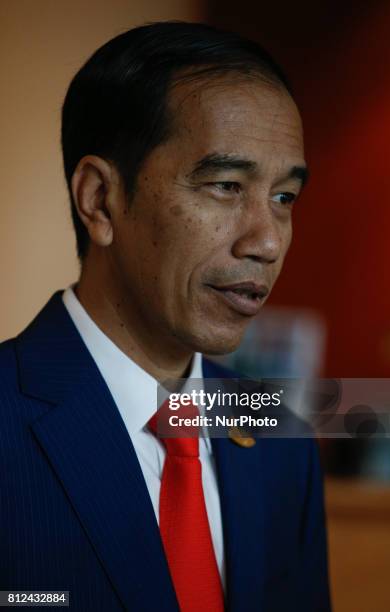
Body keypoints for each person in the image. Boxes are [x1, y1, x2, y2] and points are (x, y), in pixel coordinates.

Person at [0, 22, 331, 612]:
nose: (268, 242)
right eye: (227, 186)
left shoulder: (282, 436)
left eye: (284, 198)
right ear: (101, 199)